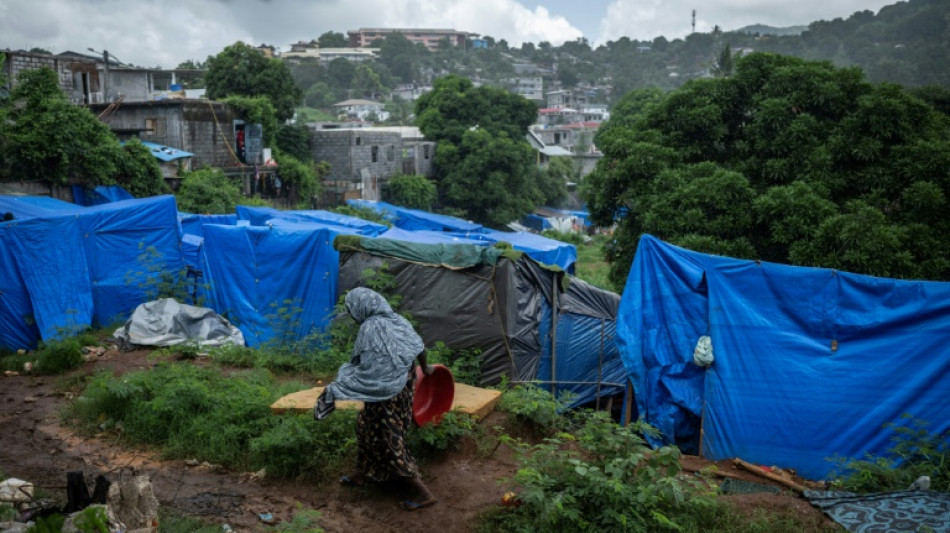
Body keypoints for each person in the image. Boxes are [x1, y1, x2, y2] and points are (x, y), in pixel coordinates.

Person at [314, 287, 437, 511]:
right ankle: (364, 473)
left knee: (388, 438)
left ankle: (423, 493)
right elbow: (418, 345)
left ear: (362, 307)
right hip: (402, 385)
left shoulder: (370, 328)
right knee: (365, 426)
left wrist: (345, 385)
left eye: (352, 310)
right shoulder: (398, 319)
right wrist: (426, 367)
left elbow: (366, 368)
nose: (352, 315)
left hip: (386, 391)